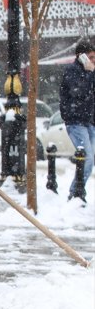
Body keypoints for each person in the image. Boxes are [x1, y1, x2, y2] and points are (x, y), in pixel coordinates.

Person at [59, 38, 95, 201]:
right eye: (91, 57)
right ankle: (76, 192)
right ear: (82, 56)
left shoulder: (91, 72)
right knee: (86, 159)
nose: (94, 60)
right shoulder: (73, 71)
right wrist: (88, 73)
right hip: (76, 121)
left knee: (90, 159)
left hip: (89, 121)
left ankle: (78, 190)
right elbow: (77, 92)